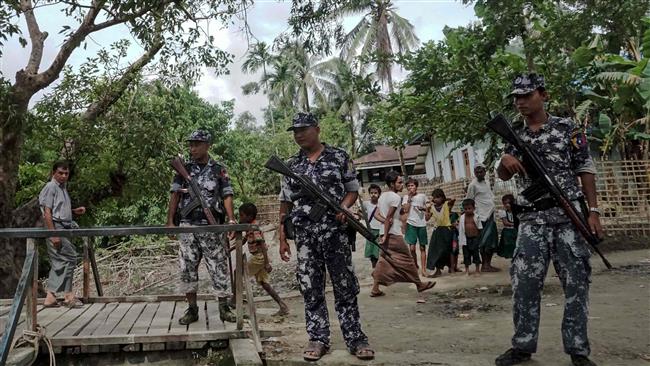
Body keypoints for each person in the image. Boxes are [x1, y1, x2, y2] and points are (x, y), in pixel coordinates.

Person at [495, 74, 603, 366]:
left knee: (576, 283)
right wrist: (503, 161)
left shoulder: (567, 128)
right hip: (532, 220)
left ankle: (578, 350)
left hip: (568, 217)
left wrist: (593, 211)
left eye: (526, 95)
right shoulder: (515, 134)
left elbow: (585, 169)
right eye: (516, 97)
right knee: (525, 283)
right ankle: (523, 345)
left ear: (543, 95)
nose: (519, 102)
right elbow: (503, 174)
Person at [277, 112, 374, 362]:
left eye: (303, 129)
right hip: (305, 235)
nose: (298, 134)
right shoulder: (290, 165)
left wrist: (344, 207)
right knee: (311, 287)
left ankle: (355, 337)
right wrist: (281, 237)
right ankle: (318, 338)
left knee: (345, 285)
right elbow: (285, 202)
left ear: (317, 129)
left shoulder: (339, 156)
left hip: (336, 232)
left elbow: (352, 190)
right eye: (295, 131)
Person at [166, 129, 237, 325]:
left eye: (197, 144)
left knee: (218, 266)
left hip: (211, 226)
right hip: (188, 225)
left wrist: (231, 219)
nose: (192, 148)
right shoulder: (183, 169)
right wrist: (170, 222)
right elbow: (175, 195)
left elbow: (227, 194)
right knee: (187, 268)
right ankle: (192, 309)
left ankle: (224, 308)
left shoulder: (218, 169)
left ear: (207, 146)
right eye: (191, 144)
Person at [371, 171, 436, 303]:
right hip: (393, 234)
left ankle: (375, 288)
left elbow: (377, 215)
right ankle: (419, 284)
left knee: (383, 261)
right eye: (399, 182)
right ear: (391, 184)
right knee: (407, 259)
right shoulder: (395, 197)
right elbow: (389, 217)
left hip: (385, 233)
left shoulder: (383, 197)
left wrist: (384, 230)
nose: (402, 185)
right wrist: (387, 228)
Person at [39, 161, 86, 308]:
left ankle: (51, 297)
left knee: (60, 261)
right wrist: (53, 234)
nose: (64, 176)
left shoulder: (62, 188)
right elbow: (47, 213)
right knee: (70, 257)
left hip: (62, 226)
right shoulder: (50, 187)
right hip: (55, 227)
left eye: (66, 173)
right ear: (54, 173)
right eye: (60, 173)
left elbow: (57, 209)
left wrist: (73, 212)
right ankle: (68, 295)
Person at [238, 203, 289, 316]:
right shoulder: (249, 227)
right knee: (263, 283)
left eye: (242, 215)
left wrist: (266, 263)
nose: (240, 218)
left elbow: (262, 245)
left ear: (250, 216)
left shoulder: (254, 228)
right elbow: (244, 240)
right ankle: (282, 305)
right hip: (260, 257)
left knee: (238, 273)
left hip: (259, 257)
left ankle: (235, 301)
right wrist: (232, 247)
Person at [466, 163, 500, 272]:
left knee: (491, 241)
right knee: (484, 241)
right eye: (477, 172)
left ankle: (488, 264)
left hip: (490, 215)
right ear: (474, 173)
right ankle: (485, 265)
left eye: (481, 171)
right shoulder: (473, 185)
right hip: (481, 217)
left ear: (485, 172)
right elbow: (469, 201)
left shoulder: (485, 183)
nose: (479, 174)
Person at [426, 189, 457, 277]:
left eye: (438, 197)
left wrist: (445, 199)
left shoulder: (446, 205)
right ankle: (438, 270)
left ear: (442, 197)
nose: (436, 199)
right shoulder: (432, 208)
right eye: (434, 198)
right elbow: (426, 219)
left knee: (449, 249)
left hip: (447, 230)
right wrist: (427, 210)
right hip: (437, 231)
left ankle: (451, 268)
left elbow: (453, 199)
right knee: (436, 250)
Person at [402, 178, 429, 276]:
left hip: (421, 224)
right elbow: (405, 209)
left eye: (412, 185)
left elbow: (429, 206)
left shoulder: (422, 196)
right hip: (411, 223)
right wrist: (409, 198)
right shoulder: (405, 197)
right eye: (408, 186)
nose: (410, 187)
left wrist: (424, 208)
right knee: (412, 248)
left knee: (422, 247)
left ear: (416, 186)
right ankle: (415, 265)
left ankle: (424, 269)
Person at [459, 199, 482, 276]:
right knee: (466, 255)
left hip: (475, 238)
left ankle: (477, 270)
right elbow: (461, 229)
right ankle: (467, 270)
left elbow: (480, 228)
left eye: (469, 208)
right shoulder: (462, 217)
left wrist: (479, 239)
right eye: (465, 209)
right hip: (466, 239)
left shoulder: (476, 217)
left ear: (474, 208)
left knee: (476, 254)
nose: (468, 210)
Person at [362, 184, 383, 268]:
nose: (373, 194)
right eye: (371, 193)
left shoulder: (381, 204)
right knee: (371, 251)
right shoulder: (366, 204)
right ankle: (374, 268)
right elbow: (360, 212)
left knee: (379, 250)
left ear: (379, 194)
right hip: (371, 230)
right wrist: (365, 217)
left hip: (380, 230)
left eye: (375, 193)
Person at [496, 194, 518, 259]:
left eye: (509, 203)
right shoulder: (503, 212)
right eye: (505, 203)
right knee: (508, 246)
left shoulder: (516, 212)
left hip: (516, 231)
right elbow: (506, 223)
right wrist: (516, 224)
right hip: (508, 232)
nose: (507, 205)